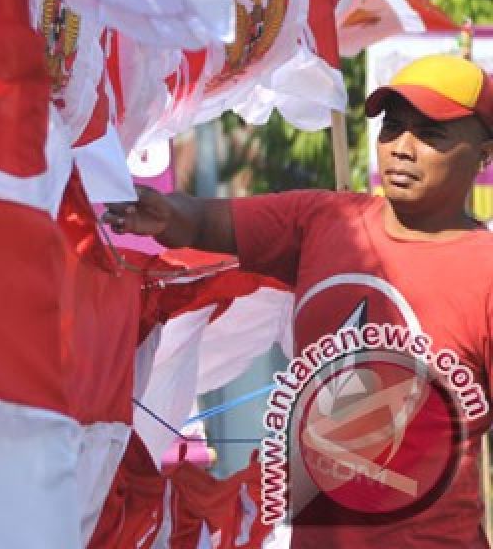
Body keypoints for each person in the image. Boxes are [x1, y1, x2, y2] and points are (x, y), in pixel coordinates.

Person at [104, 53, 493, 547]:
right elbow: (201, 220)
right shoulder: (323, 219)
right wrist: (164, 214)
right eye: (393, 129)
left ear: (484, 155)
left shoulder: (485, 271)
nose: (403, 148)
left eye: (431, 135)